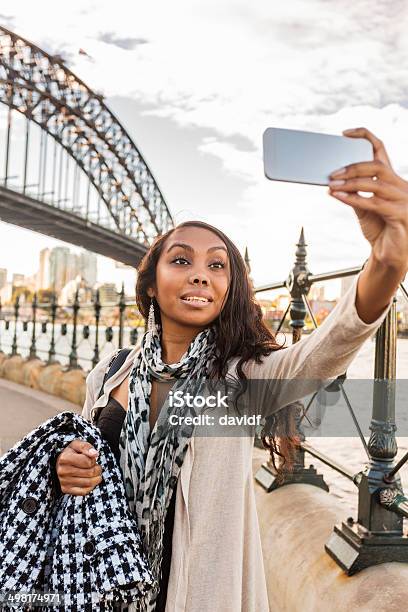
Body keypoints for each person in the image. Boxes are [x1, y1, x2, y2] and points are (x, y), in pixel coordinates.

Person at [55, 127, 408, 612]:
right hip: (102, 592)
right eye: (181, 260)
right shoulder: (107, 375)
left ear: (228, 291)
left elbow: (330, 347)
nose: (200, 273)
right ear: (152, 284)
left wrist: (388, 261)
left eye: (217, 266)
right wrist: (71, 469)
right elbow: (89, 476)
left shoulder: (243, 382)